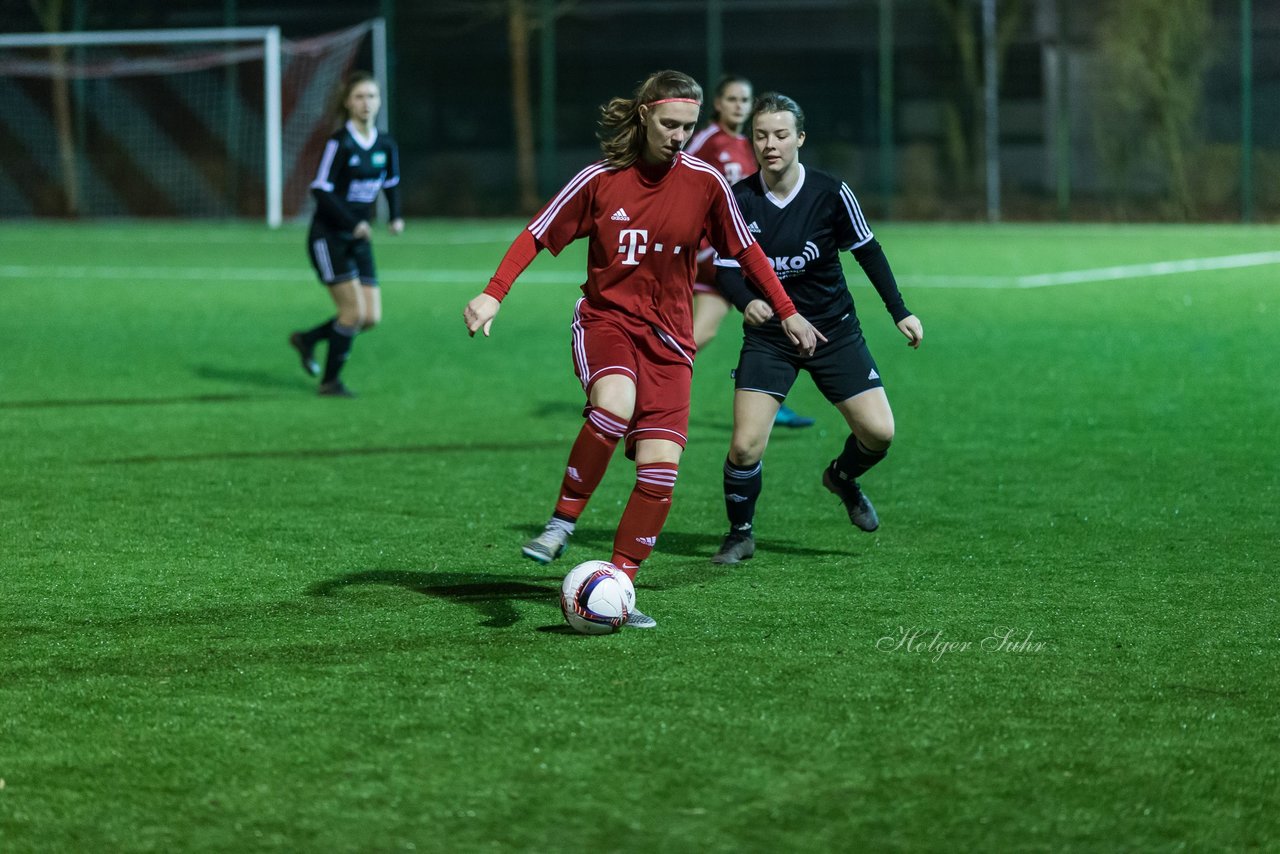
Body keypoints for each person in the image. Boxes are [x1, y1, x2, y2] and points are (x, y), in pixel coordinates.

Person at [463, 70, 823, 627]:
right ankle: (562, 522)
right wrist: (493, 294)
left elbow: (748, 252)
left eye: (688, 125)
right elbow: (537, 233)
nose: (680, 135)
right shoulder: (601, 180)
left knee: (661, 473)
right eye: (670, 123)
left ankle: (618, 588)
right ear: (644, 116)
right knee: (612, 407)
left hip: (672, 343)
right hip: (607, 322)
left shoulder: (705, 183)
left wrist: (788, 311)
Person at [709, 92, 923, 566]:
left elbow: (868, 251)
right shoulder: (738, 199)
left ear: (800, 138)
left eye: (781, 135)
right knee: (744, 446)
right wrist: (747, 303)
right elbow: (723, 268)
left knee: (880, 434)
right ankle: (740, 533)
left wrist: (899, 311)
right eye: (761, 136)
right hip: (771, 341)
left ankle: (842, 477)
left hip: (833, 333)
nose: (771, 145)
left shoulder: (830, 193)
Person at [686, 74, 815, 429]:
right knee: (775, 318)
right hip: (715, 253)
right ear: (718, 103)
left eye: (745, 100)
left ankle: (769, 399)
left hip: (744, 252)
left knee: (723, 330)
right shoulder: (706, 141)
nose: (739, 106)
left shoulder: (749, 144)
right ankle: (657, 384)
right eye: (732, 99)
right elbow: (680, 177)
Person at [289, 70, 404, 397]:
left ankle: (307, 339)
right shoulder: (339, 143)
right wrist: (351, 222)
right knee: (352, 314)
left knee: (370, 318)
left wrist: (395, 217)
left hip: (359, 238)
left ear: (379, 101)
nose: (366, 103)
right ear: (347, 102)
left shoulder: (385, 143)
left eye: (371, 96)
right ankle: (330, 383)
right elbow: (321, 189)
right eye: (359, 97)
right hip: (329, 237)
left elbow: (391, 183)